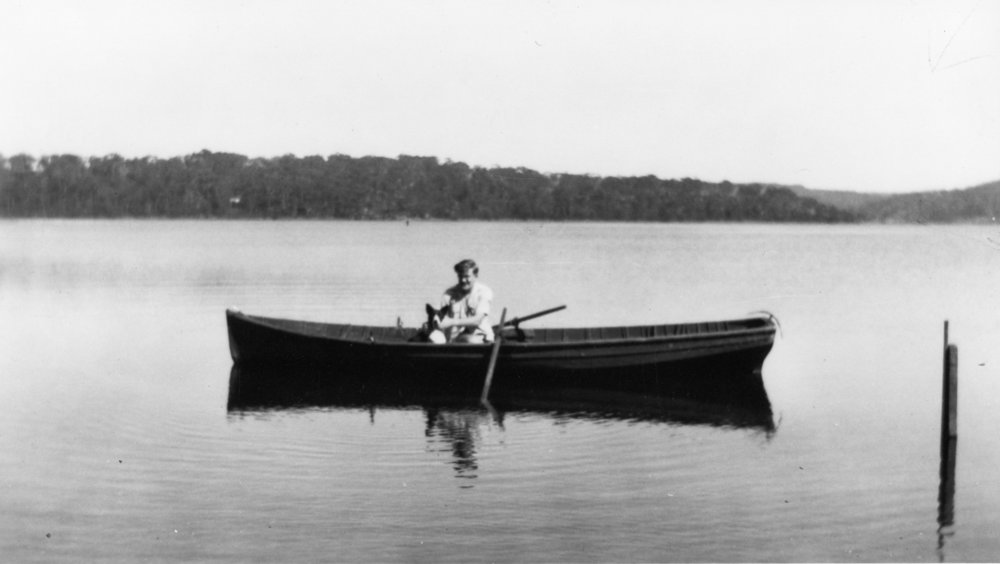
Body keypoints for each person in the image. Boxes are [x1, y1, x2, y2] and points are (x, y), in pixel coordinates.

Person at [431, 259, 494, 344]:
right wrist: (434, 323)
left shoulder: (484, 292)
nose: (463, 280)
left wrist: (451, 322)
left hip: (480, 340)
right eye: (460, 276)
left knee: (469, 340)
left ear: (476, 275)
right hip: (454, 341)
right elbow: (441, 320)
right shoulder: (448, 294)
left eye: (467, 276)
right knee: (434, 337)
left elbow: (477, 320)